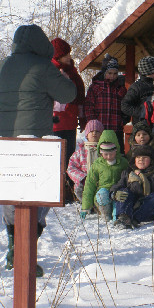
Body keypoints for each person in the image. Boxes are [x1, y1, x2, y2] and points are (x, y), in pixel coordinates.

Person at [0, 24, 77, 276]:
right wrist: (64, 72)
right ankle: (25, 252)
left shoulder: (1, 66)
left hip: (6, 140)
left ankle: (12, 246)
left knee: (12, 194)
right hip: (36, 140)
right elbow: (69, 94)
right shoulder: (43, 68)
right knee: (41, 195)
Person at [50, 37, 87, 201]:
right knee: (55, 158)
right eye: (66, 55)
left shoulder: (72, 72)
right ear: (58, 56)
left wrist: (82, 116)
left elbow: (79, 96)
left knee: (69, 157)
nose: (69, 57)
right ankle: (56, 192)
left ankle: (68, 190)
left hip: (69, 121)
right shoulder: (51, 72)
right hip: (54, 123)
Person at [110, 145, 154, 229]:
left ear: (151, 160)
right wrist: (114, 194)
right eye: (138, 157)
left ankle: (135, 219)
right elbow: (117, 186)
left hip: (148, 209)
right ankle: (124, 217)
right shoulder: (127, 174)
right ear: (134, 160)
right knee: (123, 191)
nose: (141, 159)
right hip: (131, 206)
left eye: (144, 157)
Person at [81, 130, 129, 221]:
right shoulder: (97, 164)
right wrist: (85, 207)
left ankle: (117, 215)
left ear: (116, 150)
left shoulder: (123, 163)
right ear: (100, 152)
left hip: (117, 192)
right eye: (105, 154)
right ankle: (106, 213)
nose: (108, 156)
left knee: (120, 198)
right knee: (102, 194)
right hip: (103, 193)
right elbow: (90, 184)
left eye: (111, 154)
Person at [83, 54, 128, 152]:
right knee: (100, 153)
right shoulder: (95, 87)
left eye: (115, 73)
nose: (112, 76)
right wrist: (93, 123)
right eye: (110, 73)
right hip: (99, 129)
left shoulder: (120, 88)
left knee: (117, 152)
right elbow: (89, 106)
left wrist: (123, 120)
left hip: (116, 128)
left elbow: (125, 106)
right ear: (104, 72)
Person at [67, 119, 104, 202]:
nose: (94, 133)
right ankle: (86, 204)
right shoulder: (80, 152)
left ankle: (98, 204)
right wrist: (82, 178)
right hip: (84, 182)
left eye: (97, 132)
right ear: (87, 135)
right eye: (91, 131)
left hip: (101, 182)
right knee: (81, 189)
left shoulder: (105, 150)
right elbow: (71, 168)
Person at [121, 55, 154, 122]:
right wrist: (143, 113)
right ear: (151, 71)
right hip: (143, 126)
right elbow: (125, 106)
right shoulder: (137, 87)